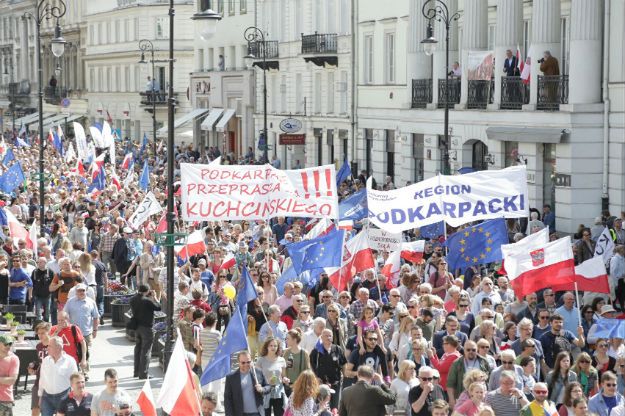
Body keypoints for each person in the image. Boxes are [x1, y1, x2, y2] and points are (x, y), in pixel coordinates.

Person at [64, 283, 99, 379]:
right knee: (74, 351)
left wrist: (95, 330)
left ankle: (85, 372)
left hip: (86, 332)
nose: (81, 292)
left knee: (86, 352)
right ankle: (75, 370)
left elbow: (96, 317)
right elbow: (64, 315)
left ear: (86, 291)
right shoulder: (70, 302)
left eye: (83, 290)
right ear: (76, 292)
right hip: (73, 332)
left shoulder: (91, 302)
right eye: (79, 290)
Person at [38, 336, 78, 416]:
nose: (47, 348)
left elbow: (75, 381)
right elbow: (42, 379)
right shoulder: (46, 360)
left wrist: (76, 398)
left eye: (50, 346)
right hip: (47, 397)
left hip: (63, 397)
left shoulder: (70, 361)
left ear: (58, 348)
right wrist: (40, 396)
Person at [447, 340, 492, 408]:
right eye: (468, 350)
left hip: (481, 398)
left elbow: (489, 380)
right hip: (463, 397)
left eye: (473, 350)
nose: (471, 352)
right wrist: (451, 399)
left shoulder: (484, 361)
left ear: (477, 350)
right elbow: (450, 383)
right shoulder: (457, 363)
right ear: (464, 350)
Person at [129, 284, 161, 379]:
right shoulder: (147, 301)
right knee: (146, 351)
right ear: (147, 291)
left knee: (138, 349)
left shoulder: (133, 299)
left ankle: (136, 372)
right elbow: (159, 307)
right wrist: (154, 297)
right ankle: (143, 374)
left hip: (137, 327)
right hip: (147, 328)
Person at [309, 329, 346, 410]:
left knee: (335, 407)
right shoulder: (316, 351)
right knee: (321, 406)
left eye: (330, 336)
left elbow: (343, 364)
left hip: (336, 383)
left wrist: (345, 376)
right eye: (326, 336)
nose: (328, 337)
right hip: (321, 384)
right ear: (321, 337)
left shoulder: (337, 349)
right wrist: (316, 378)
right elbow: (311, 365)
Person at [224, 351, 270, 416]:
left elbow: (268, 387)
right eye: (243, 363)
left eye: (248, 362)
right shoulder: (231, 377)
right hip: (240, 413)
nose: (246, 364)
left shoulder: (258, 372)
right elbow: (227, 399)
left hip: (257, 413)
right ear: (238, 362)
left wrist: (262, 389)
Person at [256, 337, 287, 416]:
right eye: (271, 345)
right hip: (265, 392)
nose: (273, 347)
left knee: (279, 414)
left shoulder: (282, 360)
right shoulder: (260, 360)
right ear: (267, 346)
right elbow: (257, 379)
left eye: (275, 346)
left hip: (278, 392)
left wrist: (285, 379)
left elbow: (283, 376)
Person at [0, 335, 18, 415]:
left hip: (5, 399)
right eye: (5, 344)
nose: (8, 346)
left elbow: (12, 380)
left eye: (10, 344)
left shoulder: (13, 358)